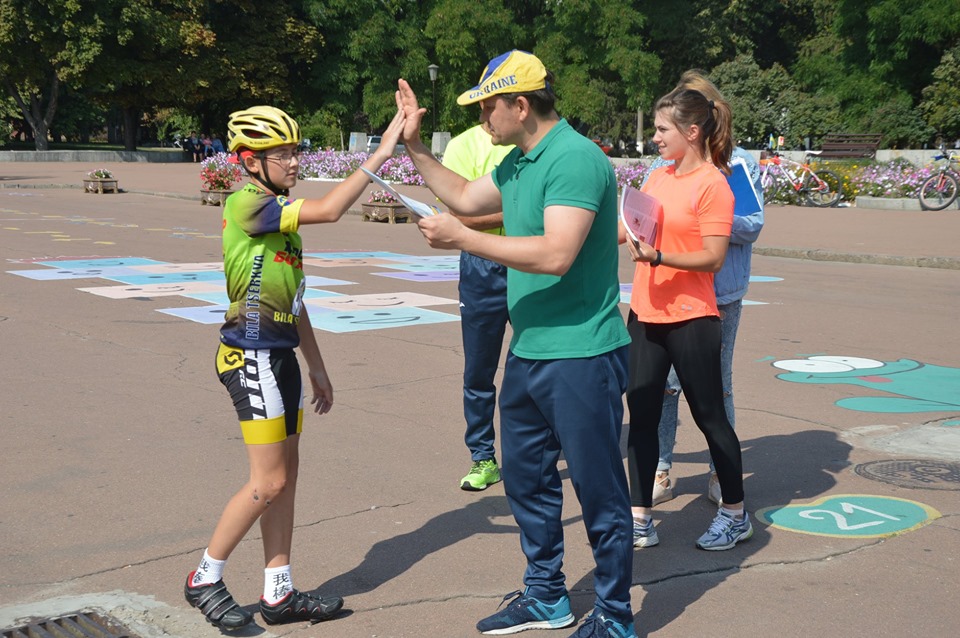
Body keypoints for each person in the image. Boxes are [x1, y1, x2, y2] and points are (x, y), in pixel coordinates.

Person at [397, 50, 638, 637]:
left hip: (581, 352)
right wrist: (415, 146)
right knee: (526, 480)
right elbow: (464, 197)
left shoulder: (576, 159)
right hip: (530, 350)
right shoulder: (520, 160)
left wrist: (463, 241)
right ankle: (547, 594)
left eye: (488, 106)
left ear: (520, 105)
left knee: (599, 488)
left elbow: (557, 254)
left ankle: (614, 613)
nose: (483, 119)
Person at [183, 104, 406, 630]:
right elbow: (329, 209)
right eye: (281, 153)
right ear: (249, 161)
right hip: (251, 356)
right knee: (269, 482)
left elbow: (296, 300)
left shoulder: (282, 224)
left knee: (288, 475)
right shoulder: (246, 204)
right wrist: (381, 154)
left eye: (294, 150)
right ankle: (205, 577)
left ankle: (278, 592)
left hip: (280, 358)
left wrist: (317, 366)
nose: (293, 161)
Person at [623, 88, 753, 552]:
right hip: (644, 313)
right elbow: (628, 228)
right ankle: (639, 519)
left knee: (710, 417)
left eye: (662, 129)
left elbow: (714, 257)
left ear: (692, 132)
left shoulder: (713, 184)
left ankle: (735, 514)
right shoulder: (658, 177)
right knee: (641, 416)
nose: (654, 138)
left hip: (692, 319)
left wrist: (658, 257)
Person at [642, 71, 765, 508]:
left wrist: (701, 221)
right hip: (666, 291)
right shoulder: (663, 167)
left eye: (664, 126)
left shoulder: (735, 164)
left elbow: (751, 225)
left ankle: (720, 475)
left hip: (720, 292)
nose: (657, 136)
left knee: (715, 389)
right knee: (663, 388)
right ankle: (660, 468)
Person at [440, 124, 514, 491]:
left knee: (539, 364)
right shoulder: (462, 145)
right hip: (481, 266)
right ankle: (483, 457)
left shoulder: (532, 142)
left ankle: (537, 448)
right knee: (479, 372)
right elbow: (458, 217)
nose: (489, 112)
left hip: (529, 259)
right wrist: (517, 210)